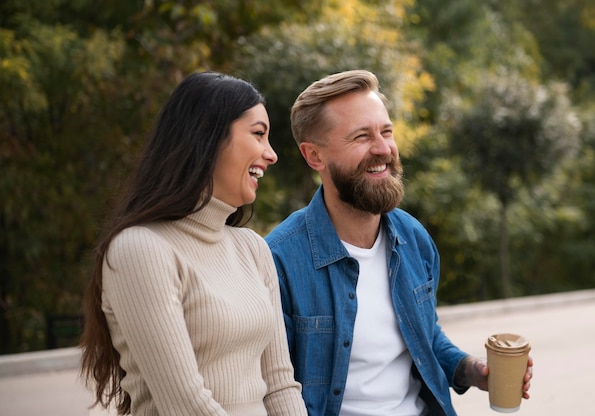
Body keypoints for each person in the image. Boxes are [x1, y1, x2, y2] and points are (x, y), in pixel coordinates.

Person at [265, 69, 533, 416]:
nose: (383, 148)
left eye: (386, 131)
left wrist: (473, 370)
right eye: (361, 136)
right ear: (315, 156)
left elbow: (426, 337)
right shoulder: (279, 259)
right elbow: (273, 388)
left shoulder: (413, 238)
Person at [79, 71, 308, 416]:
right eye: (258, 134)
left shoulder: (252, 248)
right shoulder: (140, 249)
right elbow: (186, 404)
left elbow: (279, 384)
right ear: (208, 137)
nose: (271, 154)